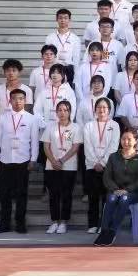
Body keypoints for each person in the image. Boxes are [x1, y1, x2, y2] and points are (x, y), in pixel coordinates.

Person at [0, 88, 40, 234]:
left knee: (21, 194)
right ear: (10, 101)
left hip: (23, 161)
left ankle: (20, 224)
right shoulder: (2, 117)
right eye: (14, 99)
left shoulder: (31, 119)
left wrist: (33, 159)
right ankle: (4, 224)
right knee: (4, 194)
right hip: (4, 160)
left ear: (25, 101)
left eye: (21, 99)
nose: (17, 102)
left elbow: (34, 142)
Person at [94, 130, 138, 246]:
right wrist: (115, 189)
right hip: (115, 190)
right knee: (111, 198)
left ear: (136, 141)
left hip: (134, 193)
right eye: (123, 139)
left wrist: (126, 190)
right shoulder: (113, 157)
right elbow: (107, 177)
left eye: (129, 139)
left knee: (124, 199)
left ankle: (112, 231)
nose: (126, 142)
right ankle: (104, 231)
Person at [82, 97, 120, 234]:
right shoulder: (89, 125)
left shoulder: (114, 125)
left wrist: (103, 162)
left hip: (108, 167)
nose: (102, 110)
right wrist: (95, 162)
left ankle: (105, 224)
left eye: (104, 107)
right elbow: (87, 146)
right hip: (91, 166)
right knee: (93, 197)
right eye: (99, 107)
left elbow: (114, 146)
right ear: (95, 109)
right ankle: (92, 224)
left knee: (107, 198)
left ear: (109, 110)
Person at [42, 100, 80, 234]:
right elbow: (46, 146)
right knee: (53, 194)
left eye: (65, 110)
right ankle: (54, 222)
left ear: (70, 112)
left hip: (69, 166)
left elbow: (75, 147)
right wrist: (54, 161)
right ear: (56, 112)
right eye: (60, 110)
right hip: (51, 166)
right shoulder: (50, 127)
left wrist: (61, 161)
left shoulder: (76, 127)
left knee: (66, 195)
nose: (62, 113)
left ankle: (63, 222)